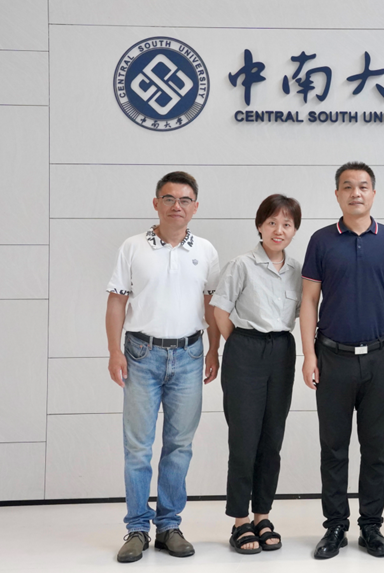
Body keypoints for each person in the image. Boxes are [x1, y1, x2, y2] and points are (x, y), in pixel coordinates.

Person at [106, 171, 220, 563]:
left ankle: (169, 526)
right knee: (138, 447)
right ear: (156, 203)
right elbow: (117, 301)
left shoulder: (205, 250)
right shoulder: (133, 247)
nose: (177, 206)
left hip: (190, 355)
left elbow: (211, 305)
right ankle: (137, 528)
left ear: (195, 207)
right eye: (169, 198)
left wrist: (214, 350)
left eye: (185, 200)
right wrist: (114, 351)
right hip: (141, 354)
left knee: (179, 446)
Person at [300, 162, 384, 559]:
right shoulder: (321, 240)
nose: (356, 193)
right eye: (347, 186)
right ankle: (335, 526)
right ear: (337, 194)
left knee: (375, 448)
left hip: (380, 357)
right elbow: (309, 300)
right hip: (332, 357)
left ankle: (370, 526)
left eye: (363, 186)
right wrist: (308, 355)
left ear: (373, 193)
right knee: (333, 448)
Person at [210, 194, 303, 554]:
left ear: (294, 230)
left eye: (287, 224)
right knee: (244, 439)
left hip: (282, 350)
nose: (279, 230)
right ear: (260, 226)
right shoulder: (241, 265)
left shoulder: (297, 270)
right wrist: (240, 346)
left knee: (271, 439)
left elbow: (303, 312)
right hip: (245, 349)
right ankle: (240, 521)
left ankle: (262, 516)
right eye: (272, 222)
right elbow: (220, 311)